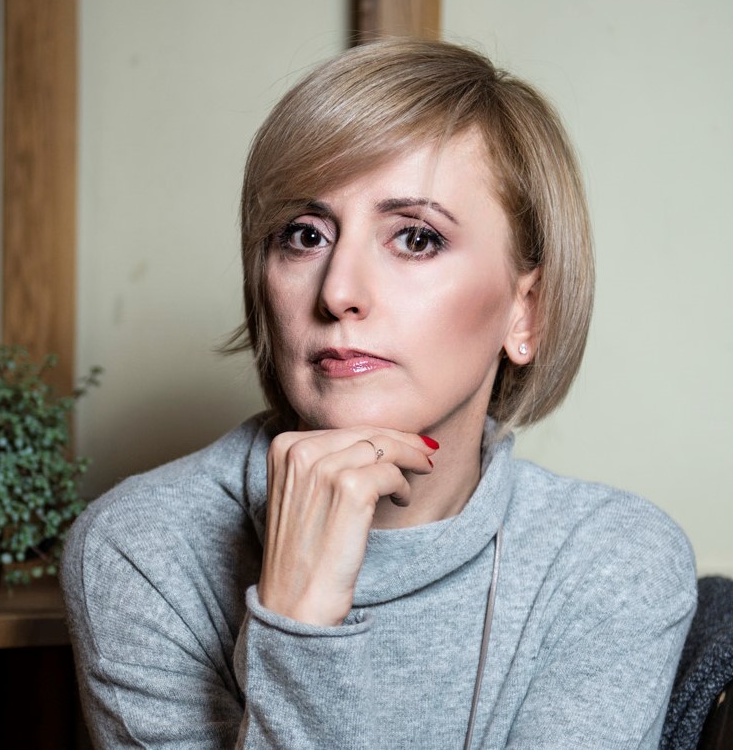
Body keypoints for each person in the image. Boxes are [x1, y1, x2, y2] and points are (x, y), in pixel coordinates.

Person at [62, 39, 697, 749]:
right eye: (304, 235)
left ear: (528, 311)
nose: (338, 291)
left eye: (416, 239)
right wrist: (298, 619)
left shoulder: (610, 561)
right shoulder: (141, 550)